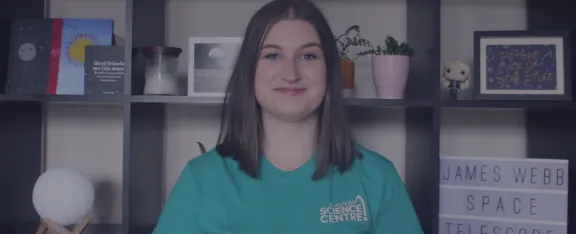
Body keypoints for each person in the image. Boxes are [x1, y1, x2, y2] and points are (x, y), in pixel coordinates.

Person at [152, 0, 424, 233]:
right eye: (272, 55)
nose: (291, 73)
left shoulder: (377, 178)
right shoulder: (202, 180)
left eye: (308, 55)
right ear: (249, 71)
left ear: (329, 71)